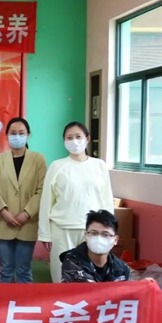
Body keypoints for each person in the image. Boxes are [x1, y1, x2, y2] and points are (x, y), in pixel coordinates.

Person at [39, 121, 114, 283]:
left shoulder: (99, 166)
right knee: (62, 275)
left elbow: (107, 200)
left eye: (78, 137)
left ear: (87, 139)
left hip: (93, 231)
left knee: (91, 276)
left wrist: (110, 231)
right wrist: (45, 233)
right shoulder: (57, 166)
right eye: (69, 137)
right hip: (62, 230)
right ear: (64, 141)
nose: (74, 141)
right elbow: (46, 202)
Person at [0, 118, 47, 283]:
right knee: (5, 269)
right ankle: (5, 300)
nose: (17, 137)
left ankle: (24, 300)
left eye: (21, 133)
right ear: (7, 135)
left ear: (28, 135)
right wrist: (4, 212)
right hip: (2, 222)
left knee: (24, 269)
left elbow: (41, 190)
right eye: (13, 133)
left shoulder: (38, 160)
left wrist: (27, 213)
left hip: (27, 223)